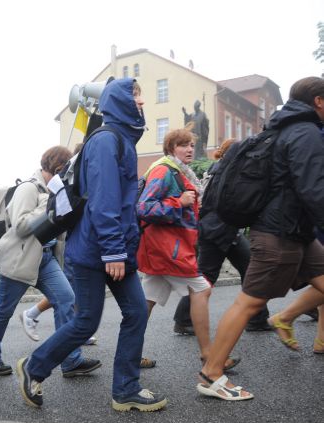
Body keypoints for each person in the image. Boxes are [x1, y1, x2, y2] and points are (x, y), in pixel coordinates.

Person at [17, 78, 167, 412]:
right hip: (95, 252)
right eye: (136, 97)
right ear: (120, 101)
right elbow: (104, 201)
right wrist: (114, 249)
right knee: (86, 322)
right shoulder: (106, 140)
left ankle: (126, 389)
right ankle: (34, 367)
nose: (142, 104)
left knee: (136, 313)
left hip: (113, 249)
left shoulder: (122, 140)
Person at [199, 77, 324, 401]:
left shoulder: (284, 128)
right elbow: (314, 188)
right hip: (279, 233)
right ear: (318, 101)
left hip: (296, 231)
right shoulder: (305, 131)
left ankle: (285, 317)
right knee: (249, 301)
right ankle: (212, 374)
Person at [0, 146, 101, 378]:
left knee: (67, 299)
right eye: (66, 172)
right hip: (20, 257)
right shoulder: (28, 188)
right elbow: (21, 226)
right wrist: (49, 205)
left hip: (45, 258)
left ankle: (71, 361)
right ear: (58, 169)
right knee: (3, 310)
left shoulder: (54, 189)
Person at [137, 129, 239, 371]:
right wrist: (178, 202)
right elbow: (144, 208)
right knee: (201, 290)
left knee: (146, 302)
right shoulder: (164, 171)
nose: (190, 149)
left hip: (163, 247)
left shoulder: (177, 171)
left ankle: (131, 354)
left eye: (192, 144)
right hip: (167, 248)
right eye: (184, 145)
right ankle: (209, 355)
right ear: (171, 148)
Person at [172, 139, 271, 334]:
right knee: (207, 276)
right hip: (217, 230)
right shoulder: (229, 170)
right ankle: (183, 320)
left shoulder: (222, 168)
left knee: (250, 269)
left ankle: (257, 318)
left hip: (224, 228)